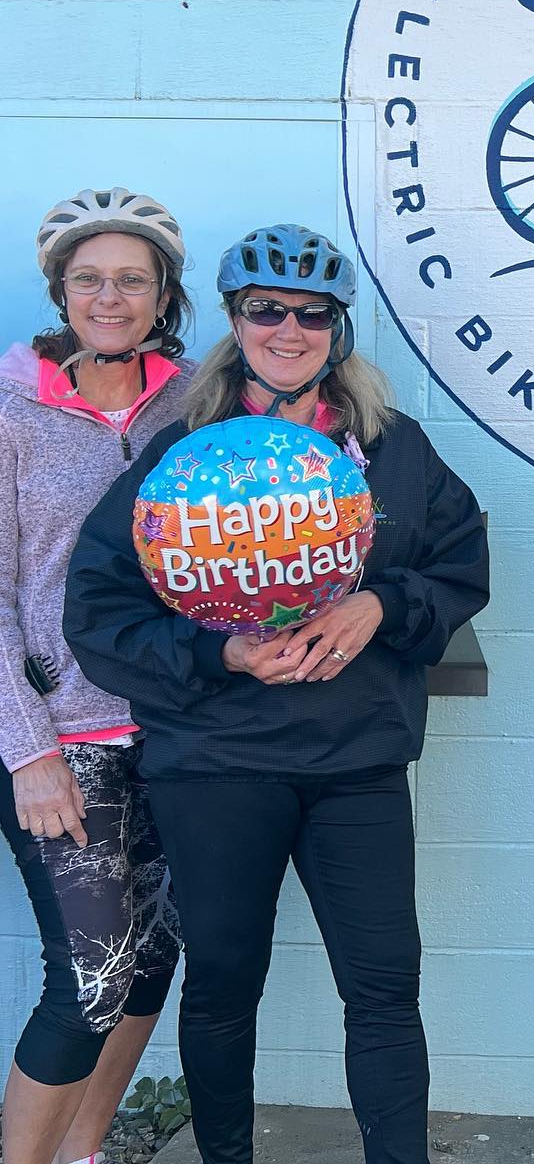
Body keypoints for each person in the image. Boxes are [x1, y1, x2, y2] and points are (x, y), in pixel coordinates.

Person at [63, 224, 490, 1164]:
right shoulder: (183, 455)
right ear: (234, 320)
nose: (287, 329)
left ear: (336, 328)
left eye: (311, 313)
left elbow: (461, 569)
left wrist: (380, 603)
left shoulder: (393, 450)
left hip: (357, 763)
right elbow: (96, 611)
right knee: (222, 984)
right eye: (266, 310)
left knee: (384, 989)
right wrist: (224, 658)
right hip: (214, 767)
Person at [0, 189, 192, 1164]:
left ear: (163, 294)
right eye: (88, 278)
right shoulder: (10, 408)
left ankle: (85, 1151)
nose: (108, 297)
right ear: (60, 292)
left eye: (130, 278)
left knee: (152, 954)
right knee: (89, 977)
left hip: (171, 729)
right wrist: (28, 750)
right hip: (57, 738)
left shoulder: (204, 401)